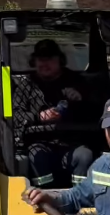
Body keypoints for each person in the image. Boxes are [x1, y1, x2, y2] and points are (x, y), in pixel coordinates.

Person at [26, 39, 101, 188]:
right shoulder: (26, 84)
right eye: (41, 59)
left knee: (84, 155)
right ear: (34, 61)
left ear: (60, 60)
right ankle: (46, 196)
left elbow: (97, 112)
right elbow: (15, 116)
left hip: (72, 143)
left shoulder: (77, 81)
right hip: (40, 142)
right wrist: (39, 117)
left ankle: (79, 197)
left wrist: (81, 99)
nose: (45, 63)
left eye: (50, 59)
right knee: (37, 155)